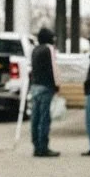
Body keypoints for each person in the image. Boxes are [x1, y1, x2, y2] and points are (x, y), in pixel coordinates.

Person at [29, 27, 60, 157]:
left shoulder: (34, 50)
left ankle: (36, 145)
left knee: (35, 117)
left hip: (35, 86)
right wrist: (57, 84)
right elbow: (54, 68)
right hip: (46, 86)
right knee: (44, 118)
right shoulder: (49, 49)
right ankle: (43, 146)